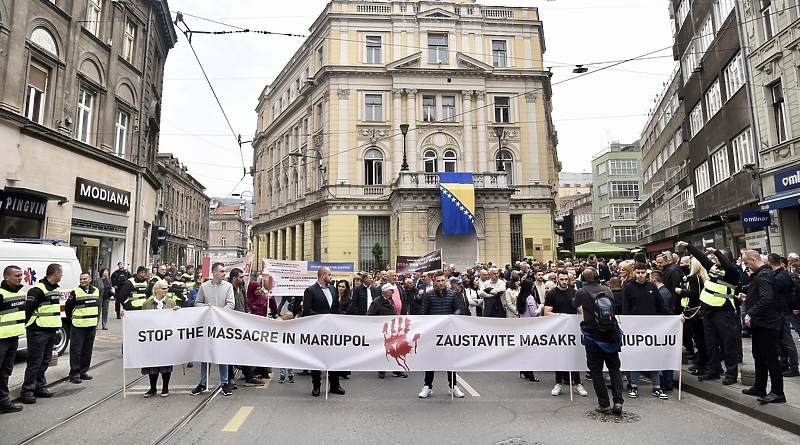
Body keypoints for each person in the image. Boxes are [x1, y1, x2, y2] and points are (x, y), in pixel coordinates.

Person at [679, 241, 741, 385]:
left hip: (723, 311)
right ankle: (712, 370)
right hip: (708, 311)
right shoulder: (713, 268)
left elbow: (728, 264)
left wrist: (717, 252)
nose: (714, 260)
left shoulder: (732, 273)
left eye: (717, 259)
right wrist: (688, 246)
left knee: (728, 343)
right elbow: (701, 257)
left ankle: (731, 374)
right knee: (710, 343)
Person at [574, 268, 624, 415]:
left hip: (592, 335)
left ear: (583, 278)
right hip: (611, 333)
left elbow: (575, 305)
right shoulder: (607, 290)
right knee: (614, 369)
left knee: (596, 371)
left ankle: (604, 404)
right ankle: (618, 402)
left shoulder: (581, 292)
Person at [740, 250, 786, 404]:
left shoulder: (764, 275)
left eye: (747, 263)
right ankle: (759, 386)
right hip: (761, 324)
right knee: (758, 356)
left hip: (767, 324)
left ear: (753, 260)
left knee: (770, 358)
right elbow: (761, 296)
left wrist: (750, 313)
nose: (747, 267)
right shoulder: (761, 274)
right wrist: (748, 297)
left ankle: (778, 392)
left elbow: (767, 298)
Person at [622, 263, 672, 399]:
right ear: (634, 273)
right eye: (638, 272)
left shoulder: (652, 287)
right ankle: (634, 385)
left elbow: (660, 305)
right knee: (635, 358)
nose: (640, 275)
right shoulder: (629, 287)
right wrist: (625, 325)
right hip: (634, 328)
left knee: (653, 357)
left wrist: (674, 317)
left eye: (642, 272)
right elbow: (625, 308)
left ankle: (656, 387)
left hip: (651, 328)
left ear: (647, 273)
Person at [20, 263, 63, 405]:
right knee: (34, 362)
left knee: (45, 361)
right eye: (61, 273)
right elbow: (27, 310)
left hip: (50, 330)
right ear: (56, 273)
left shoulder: (56, 289)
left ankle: (40, 387)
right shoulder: (37, 290)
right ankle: (27, 391)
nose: (62, 275)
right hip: (38, 331)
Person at [191, 262, 235, 397]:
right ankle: (203, 382)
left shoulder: (228, 286)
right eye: (222, 271)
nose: (224, 273)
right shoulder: (204, 287)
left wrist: (219, 312)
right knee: (205, 354)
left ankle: (225, 383)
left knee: (223, 354)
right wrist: (205, 307)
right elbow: (196, 303)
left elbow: (231, 304)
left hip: (222, 325)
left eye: (224, 271)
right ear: (214, 272)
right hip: (208, 326)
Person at [418, 270, 464, 399]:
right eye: (438, 281)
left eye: (443, 280)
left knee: (450, 360)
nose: (441, 283)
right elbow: (423, 313)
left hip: (448, 333)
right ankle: (427, 386)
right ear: (434, 281)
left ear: (446, 280)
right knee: (430, 360)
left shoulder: (452, 294)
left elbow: (458, 309)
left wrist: (454, 316)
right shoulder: (429, 295)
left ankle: (453, 386)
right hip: (433, 333)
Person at [544, 269, 587, 397]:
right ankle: (558, 383)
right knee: (560, 356)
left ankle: (578, 383)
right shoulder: (552, 294)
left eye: (565, 279)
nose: (564, 282)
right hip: (558, 330)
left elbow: (581, 310)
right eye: (561, 279)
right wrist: (561, 316)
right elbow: (547, 312)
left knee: (574, 357)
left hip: (573, 330)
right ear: (557, 279)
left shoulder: (574, 292)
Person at [133, 279, 180, 397]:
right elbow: (141, 319)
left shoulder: (171, 303)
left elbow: (176, 320)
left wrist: (177, 312)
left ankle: (165, 387)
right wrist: (125, 315)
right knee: (152, 363)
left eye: (167, 288)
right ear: (156, 290)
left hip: (166, 338)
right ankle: (152, 388)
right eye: (163, 288)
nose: (166, 290)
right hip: (152, 339)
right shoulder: (147, 303)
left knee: (166, 364)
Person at [303, 266, 345, 396]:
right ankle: (316, 385)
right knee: (317, 358)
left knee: (333, 357)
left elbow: (336, 308)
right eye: (330, 275)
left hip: (332, 330)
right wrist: (322, 318)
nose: (331, 277)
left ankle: (335, 384)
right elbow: (307, 310)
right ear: (323, 276)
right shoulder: (311, 290)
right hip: (318, 330)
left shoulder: (332, 289)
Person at [228, 268, 264, 388]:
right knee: (230, 353)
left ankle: (249, 376)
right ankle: (229, 378)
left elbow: (246, 306)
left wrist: (248, 316)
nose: (243, 279)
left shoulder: (242, 290)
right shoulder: (228, 290)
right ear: (234, 279)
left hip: (242, 325)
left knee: (244, 350)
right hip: (231, 326)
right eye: (241, 277)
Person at [767, 254, 800, 377]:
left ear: (770, 263)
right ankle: (784, 363)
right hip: (779, 311)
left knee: (787, 340)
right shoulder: (779, 275)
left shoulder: (781, 276)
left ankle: (794, 367)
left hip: (783, 312)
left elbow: (772, 291)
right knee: (780, 339)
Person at [65, 272, 99, 384]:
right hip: (78, 326)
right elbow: (68, 308)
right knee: (76, 351)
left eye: (84, 279)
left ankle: (83, 371)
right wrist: (72, 322)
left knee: (87, 351)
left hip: (91, 326)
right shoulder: (75, 292)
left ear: (90, 279)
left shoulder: (96, 291)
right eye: (81, 279)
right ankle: (74, 374)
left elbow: (98, 307)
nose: (82, 281)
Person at [676, 256, 708, 376]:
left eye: (690, 264)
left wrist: (681, 291)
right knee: (703, 340)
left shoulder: (694, 277)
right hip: (702, 310)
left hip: (695, 312)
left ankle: (702, 365)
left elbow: (694, 293)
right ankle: (703, 363)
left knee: (699, 340)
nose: (688, 266)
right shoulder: (704, 277)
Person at [369, 283, 408, 379]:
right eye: (391, 290)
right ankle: (382, 370)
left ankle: (397, 369)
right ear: (386, 292)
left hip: (393, 329)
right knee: (383, 350)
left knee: (396, 349)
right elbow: (370, 315)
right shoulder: (377, 302)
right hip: (383, 330)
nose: (393, 292)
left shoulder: (391, 301)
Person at [0, 266, 25, 413]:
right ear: (6, 277)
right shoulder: (1, 294)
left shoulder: (21, 293)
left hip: (13, 338)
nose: (20, 278)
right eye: (17, 275)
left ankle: (3, 402)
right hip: (1, 340)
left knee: (5, 372)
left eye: (21, 275)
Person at [517, 279, 540, 383]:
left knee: (525, 349)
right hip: (531, 325)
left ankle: (524, 369)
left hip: (522, 324)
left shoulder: (520, 297)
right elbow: (534, 313)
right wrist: (541, 307)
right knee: (531, 350)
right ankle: (530, 372)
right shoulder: (530, 298)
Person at [278, 312, 295, 383]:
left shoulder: (294, 327)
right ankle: (283, 375)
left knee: (289, 361)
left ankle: (290, 375)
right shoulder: (281, 326)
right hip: (283, 346)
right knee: (282, 361)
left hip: (290, 347)